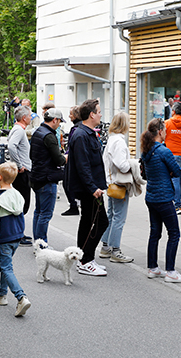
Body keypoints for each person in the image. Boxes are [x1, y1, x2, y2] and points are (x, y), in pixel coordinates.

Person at [140, 118, 181, 283]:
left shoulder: (146, 150)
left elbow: (146, 173)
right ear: (160, 132)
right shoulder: (164, 151)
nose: (166, 133)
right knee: (174, 233)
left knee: (155, 233)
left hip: (151, 196)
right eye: (165, 130)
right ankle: (171, 272)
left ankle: (153, 268)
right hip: (164, 197)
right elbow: (177, 171)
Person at [66, 99, 109, 276]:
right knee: (100, 222)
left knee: (87, 222)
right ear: (91, 114)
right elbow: (83, 166)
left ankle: (83, 258)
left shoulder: (86, 133)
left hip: (92, 187)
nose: (100, 114)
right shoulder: (81, 135)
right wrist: (93, 188)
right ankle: (85, 260)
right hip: (90, 189)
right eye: (98, 111)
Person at [0, 162, 31, 317]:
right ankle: (1, 294)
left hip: (4, 238)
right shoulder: (17, 195)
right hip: (17, 236)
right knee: (4, 265)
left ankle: (21, 297)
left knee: (6, 268)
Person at [99, 112, 135, 264]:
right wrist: (133, 164)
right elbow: (122, 165)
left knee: (111, 215)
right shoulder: (119, 142)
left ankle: (106, 247)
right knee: (119, 217)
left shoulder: (111, 139)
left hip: (111, 182)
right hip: (119, 184)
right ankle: (115, 250)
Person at [29, 108, 67, 244]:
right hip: (48, 178)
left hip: (36, 176)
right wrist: (66, 157)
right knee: (45, 214)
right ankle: (42, 244)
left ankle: (37, 242)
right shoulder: (50, 136)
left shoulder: (37, 132)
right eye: (59, 122)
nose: (59, 125)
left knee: (38, 212)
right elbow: (59, 160)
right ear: (55, 120)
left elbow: (30, 155)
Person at [7, 106, 34, 246]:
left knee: (21, 202)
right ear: (24, 118)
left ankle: (18, 233)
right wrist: (19, 165)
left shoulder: (17, 129)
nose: (31, 117)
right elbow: (11, 146)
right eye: (30, 115)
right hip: (22, 172)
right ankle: (17, 234)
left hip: (22, 171)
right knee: (22, 204)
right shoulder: (19, 130)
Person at [61, 106, 81, 216]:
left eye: (71, 114)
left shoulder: (76, 129)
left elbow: (72, 146)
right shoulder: (80, 127)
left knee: (67, 182)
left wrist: (66, 156)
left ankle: (74, 205)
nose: (69, 116)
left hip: (72, 161)